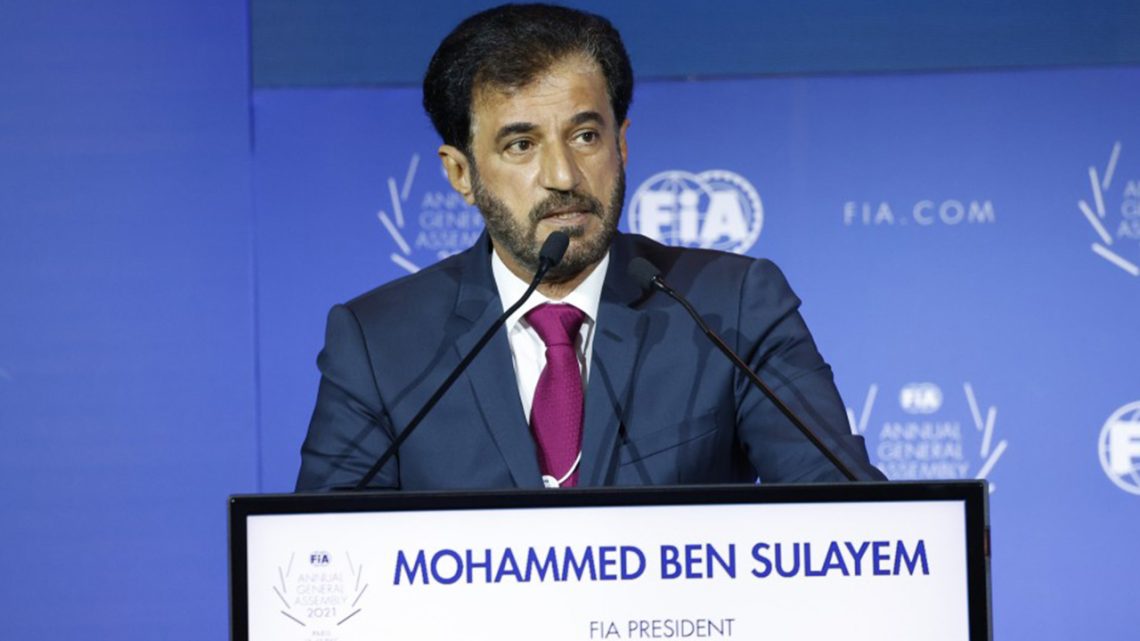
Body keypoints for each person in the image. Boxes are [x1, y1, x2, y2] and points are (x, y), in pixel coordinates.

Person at [296, 3, 884, 491]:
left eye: (584, 135)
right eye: (521, 145)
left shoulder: (730, 307)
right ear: (461, 174)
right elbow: (323, 556)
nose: (563, 176)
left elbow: (848, 513)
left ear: (621, 145)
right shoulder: (379, 344)